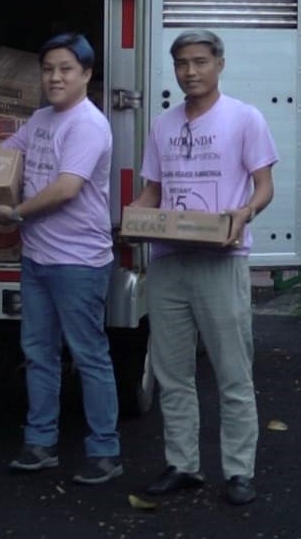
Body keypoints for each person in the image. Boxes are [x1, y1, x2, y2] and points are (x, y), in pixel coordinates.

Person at [0, 32, 122, 484]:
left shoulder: (87, 124)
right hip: (39, 258)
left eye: (66, 68)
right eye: (48, 69)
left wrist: (17, 213)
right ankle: (40, 443)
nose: (55, 76)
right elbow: (10, 159)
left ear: (87, 74)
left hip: (79, 262)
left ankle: (105, 451)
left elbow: (67, 187)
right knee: (38, 354)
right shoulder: (44, 117)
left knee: (89, 356)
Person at [130, 29, 276, 506]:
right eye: (181, 64)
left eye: (199, 62)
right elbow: (154, 192)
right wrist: (136, 216)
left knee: (233, 373)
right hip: (169, 261)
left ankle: (239, 472)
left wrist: (244, 213)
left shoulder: (244, 118)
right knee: (173, 373)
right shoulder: (163, 126)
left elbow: (263, 185)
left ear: (219, 64)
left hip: (221, 259)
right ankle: (183, 465)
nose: (190, 72)